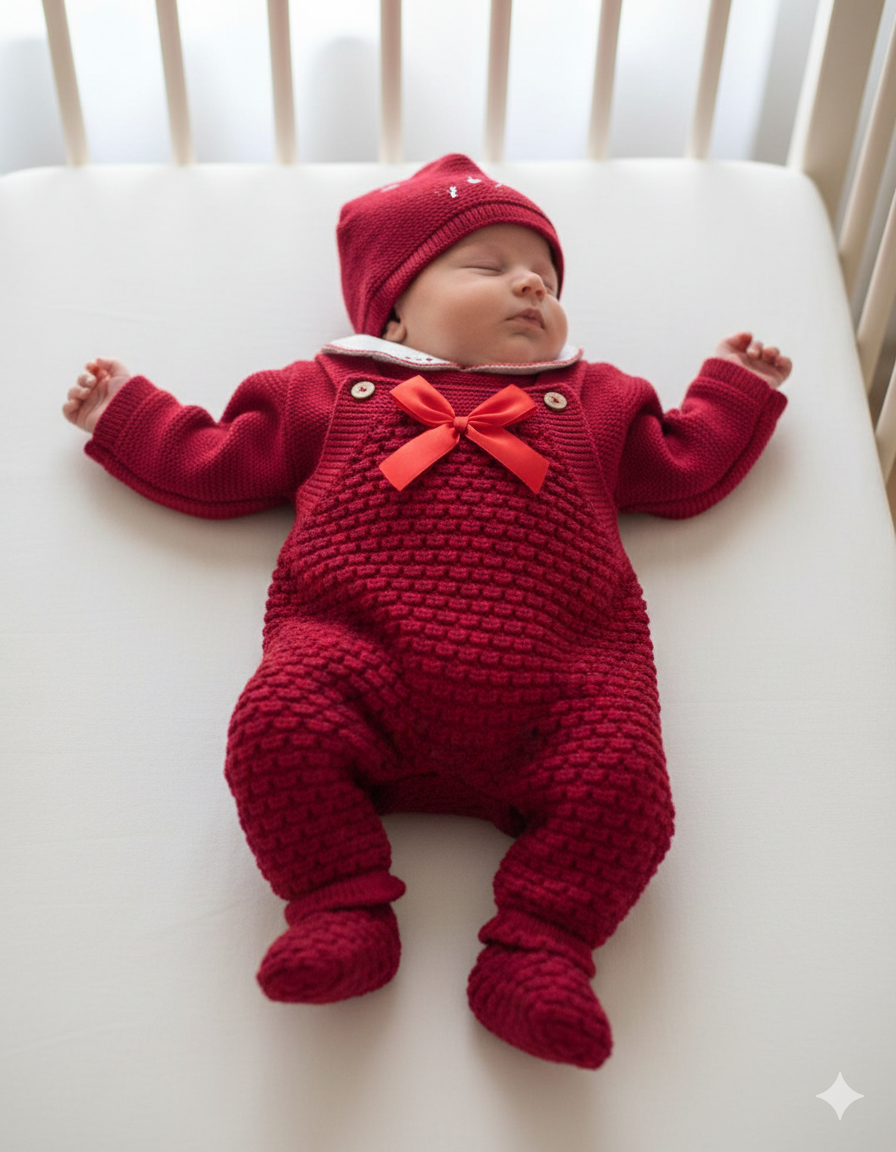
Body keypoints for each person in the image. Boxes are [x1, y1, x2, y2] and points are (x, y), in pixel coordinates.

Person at [62, 153, 790, 1069]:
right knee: (276, 726)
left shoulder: (593, 401)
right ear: (395, 306)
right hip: (356, 663)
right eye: (487, 267)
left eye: (547, 280)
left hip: (564, 688)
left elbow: (683, 468)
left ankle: (542, 948)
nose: (530, 284)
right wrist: (129, 414)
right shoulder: (328, 390)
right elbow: (222, 462)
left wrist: (732, 391)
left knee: (626, 791)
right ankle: (338, 905)